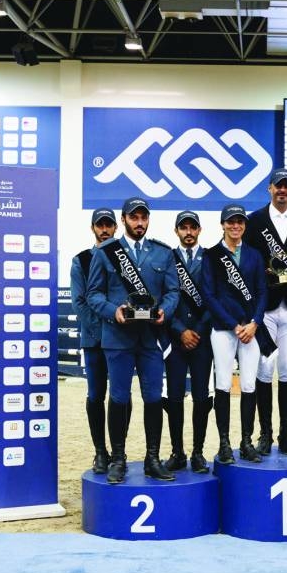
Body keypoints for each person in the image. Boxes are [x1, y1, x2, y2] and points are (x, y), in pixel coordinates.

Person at [86, 197, 179, 483]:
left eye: (144, 218)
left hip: (150, 339)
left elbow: (173, 292)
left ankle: (152, 458)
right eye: (134, 218)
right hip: (117, 338)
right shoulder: (106, 252)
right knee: (119, 397)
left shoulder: (162, 253)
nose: (139, 223)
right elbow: (93, 294)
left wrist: (166, 310)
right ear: (124, 219)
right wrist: (113, 311)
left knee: (153, 398)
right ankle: (118, 459)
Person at [245, 168, 287, 457]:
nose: (282, 190)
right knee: (264, 368)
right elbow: (246, 259)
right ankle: (265, 434)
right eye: (278, 186)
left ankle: (286, 434)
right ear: (269, 188)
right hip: (265, 307)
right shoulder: (255, 221)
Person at [202, 203, 271, 464]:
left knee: (249, 385)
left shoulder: (254, 255)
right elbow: (209, 295)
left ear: (244, 225)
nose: (235, 226)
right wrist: (233, 324)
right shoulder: (212, 256)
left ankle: (246, 441)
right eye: (230, 221)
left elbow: (263, 292)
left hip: (251, 330)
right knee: (222, 384)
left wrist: (255, 322)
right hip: (224, 329)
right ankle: (224, 443)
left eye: (240, 221)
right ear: (222, 224)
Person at [163, 210, 214, 473]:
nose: (188, 232)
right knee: (173, 398)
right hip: (175, 338)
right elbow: (164, 297)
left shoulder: (211, 258)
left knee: (202, 397)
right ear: (177, 231)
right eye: (184, 228)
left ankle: (197, 452)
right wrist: (181, 330)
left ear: (199, 230)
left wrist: (197, 330)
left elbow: (214, 298)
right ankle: (177, 452)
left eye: (193, 227)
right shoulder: (167, 258)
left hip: (202, 339)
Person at [71, 208, 118, 475]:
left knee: (120, 396)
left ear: (115, 227)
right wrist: (105, 330)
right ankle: (101, 452)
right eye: (100, 225)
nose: (104, 229)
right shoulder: (82, 260)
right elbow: (80, 303)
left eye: (108, 225)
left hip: (122, 341)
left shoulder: (124, 259)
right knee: (96, 395)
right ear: (93, 228)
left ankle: (119, 451)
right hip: (96, 341)